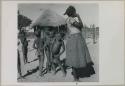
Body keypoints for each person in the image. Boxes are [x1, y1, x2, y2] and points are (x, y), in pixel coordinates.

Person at [64, 6, 95, 81]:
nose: (75, 13)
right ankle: (75, 78)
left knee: (74, 57)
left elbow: (73, 29)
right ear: (73, 13)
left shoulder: (67, 19)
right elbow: (81, 26)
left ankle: (76, 77)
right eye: (75, 12)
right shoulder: (71, 19)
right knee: (76, 57)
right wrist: (79, 16)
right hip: (76, 39)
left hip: (73, 38)